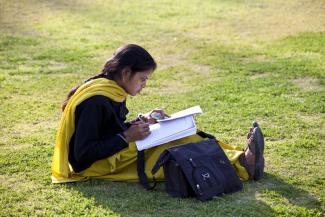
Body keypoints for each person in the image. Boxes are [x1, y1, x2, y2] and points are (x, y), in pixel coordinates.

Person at [51, 44, 265, 184]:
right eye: (143, 79)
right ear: (126, 73)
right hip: (100, 165)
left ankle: (240, 158)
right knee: (175, 146)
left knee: (182, 135)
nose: (144, 85)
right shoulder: (96, 100)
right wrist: (127, 137)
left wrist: (144, 120)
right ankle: (243, 165)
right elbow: (81, 157)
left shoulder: (112, 89)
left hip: (116, 151)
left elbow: (109, 128)